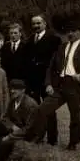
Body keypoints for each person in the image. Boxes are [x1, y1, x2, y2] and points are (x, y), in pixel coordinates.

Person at [24, 14, 80, 150]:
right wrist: (48, 84)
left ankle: (73, 144)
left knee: (75, 116)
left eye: (73, 31)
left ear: (79, 32)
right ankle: (38, 136)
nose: (70, 34)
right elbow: (51, 67)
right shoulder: (61, 47)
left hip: (76, 86)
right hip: (59, 85)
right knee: (42, 110)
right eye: (68, 31)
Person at [23, 14, 61, 145]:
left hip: (47, 81)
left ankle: (52, 139)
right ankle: (37, 136)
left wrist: (52, 82)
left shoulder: (54, 39)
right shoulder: (29, 40)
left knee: (49, 110)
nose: (36, 26)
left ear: (45, 23)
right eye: (33, 24)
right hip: (33, 81)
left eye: (38, 23)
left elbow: (57, 63)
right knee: (34, 110)